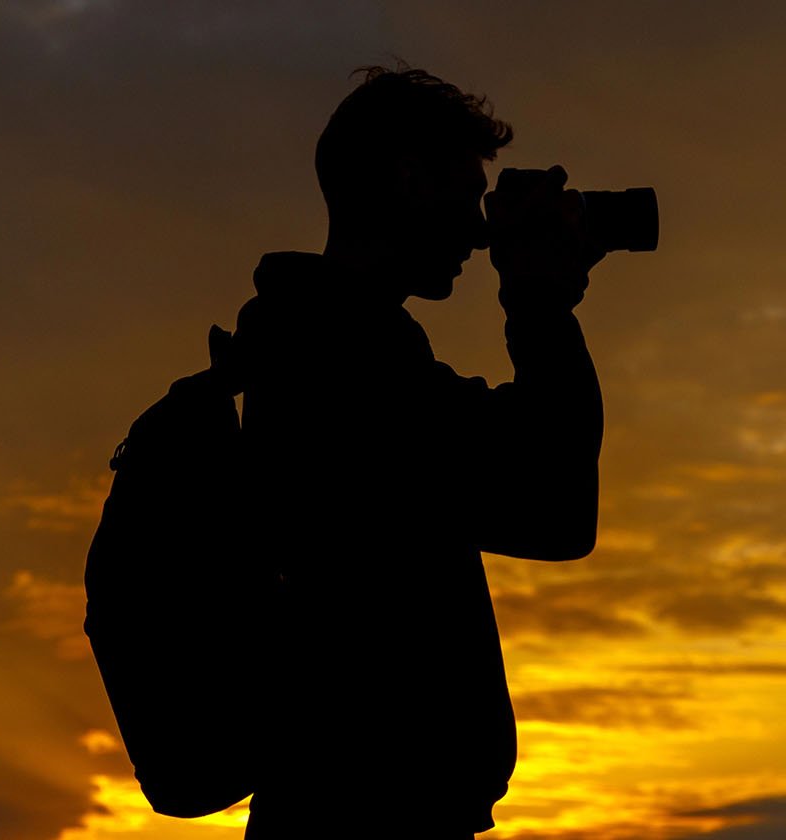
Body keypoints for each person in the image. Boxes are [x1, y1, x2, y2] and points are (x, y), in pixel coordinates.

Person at [222, 66, 604, 838]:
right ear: (407, 178)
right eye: (467, 193)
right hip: (368, 817)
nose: (478, 229)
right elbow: (556, 508)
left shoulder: (319, 343)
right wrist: (538, 306)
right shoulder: (344, 359)